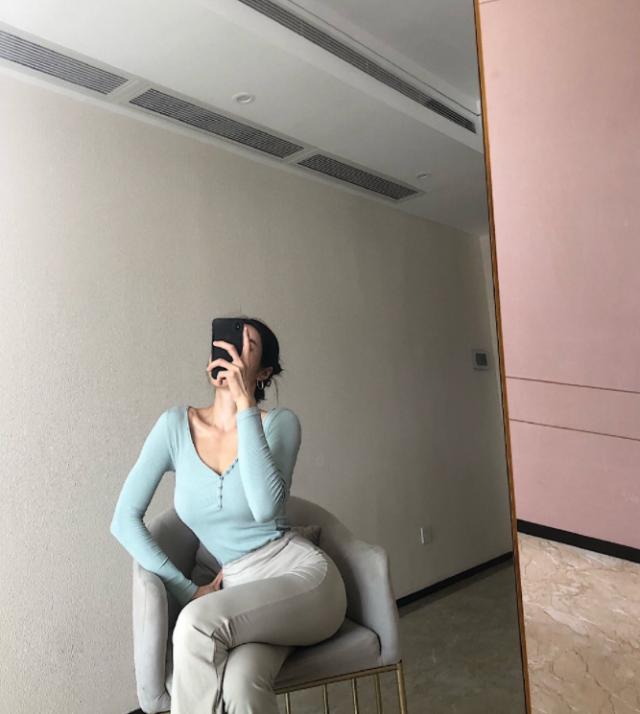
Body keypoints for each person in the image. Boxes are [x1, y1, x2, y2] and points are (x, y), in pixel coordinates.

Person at [110, 317, 347, 714]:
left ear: (264, 371)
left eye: (246, 348)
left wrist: (245, 405)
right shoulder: (174, 427)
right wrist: (187, 590)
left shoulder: (279, 423)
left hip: (305, 581)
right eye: (227, 344)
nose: (233, 354)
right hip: (240, 596)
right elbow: (124, 519)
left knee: (195, 624)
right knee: (240, 686)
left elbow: (266, 508)